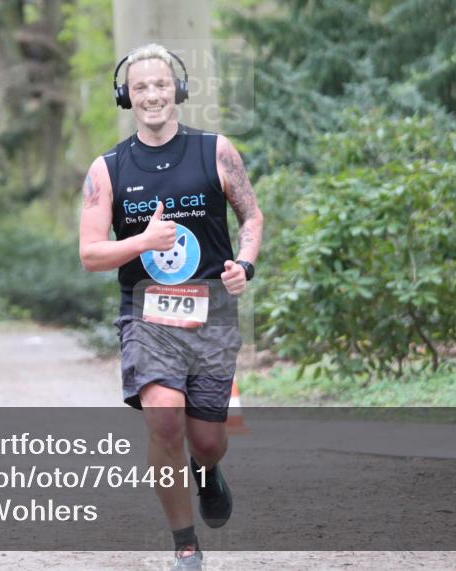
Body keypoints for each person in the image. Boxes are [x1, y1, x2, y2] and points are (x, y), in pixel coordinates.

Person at [79, 43, 263, 569]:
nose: (152, 95)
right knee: (164, 423)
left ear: (177, 89)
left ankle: (207, 471)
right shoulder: (108, 168)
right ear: (127, 96)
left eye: (160, 84)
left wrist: (243, 265)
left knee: (206, 438)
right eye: (140, 87)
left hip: (211, 313)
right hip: (147, 315)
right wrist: (143, 241)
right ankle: (186, 545)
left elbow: (251, 217)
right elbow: (91, 254)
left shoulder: (216, 151)